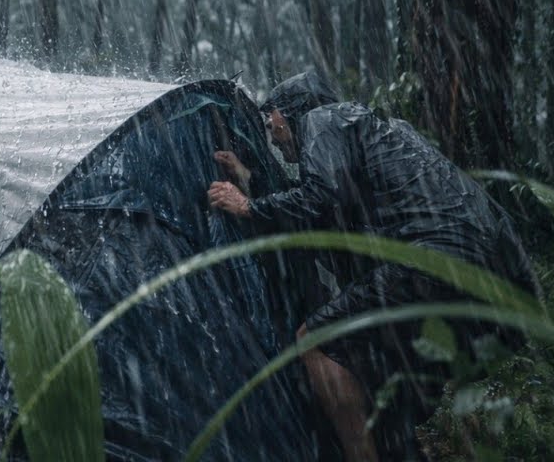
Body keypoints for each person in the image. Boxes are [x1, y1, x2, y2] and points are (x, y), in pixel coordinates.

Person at [207, 71, 535, 462]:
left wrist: (249, 207)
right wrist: (252, 179)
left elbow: (319, 201)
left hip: (437, 257)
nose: (273, 136)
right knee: (391, 376)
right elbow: (334, 217)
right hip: (500, 279)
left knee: (317, 341)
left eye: (271, 119)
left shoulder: (322, 119)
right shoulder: (371, 128)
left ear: (289, 110)